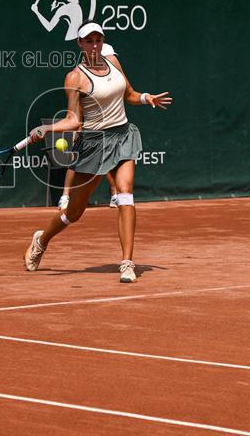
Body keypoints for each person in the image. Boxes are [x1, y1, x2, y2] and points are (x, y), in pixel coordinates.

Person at [25, 21, 171, 282]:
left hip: (123, 134)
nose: (94, 45)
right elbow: (74, 120)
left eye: (98, 40)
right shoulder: (75, 77)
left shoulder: (113, 61)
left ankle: (127, 263)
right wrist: (47, 130)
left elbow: (129, 93)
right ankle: (42, 239)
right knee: (73, 214)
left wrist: (146, 97)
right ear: (79, 44)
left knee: (125, 194)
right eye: (89, 40)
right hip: (94, 144)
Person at [57, 41, 122, 211]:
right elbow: (74, 115)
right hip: (89, 118)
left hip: (106, 122)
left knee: (108, 159)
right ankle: (66, 196)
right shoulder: (79, 77)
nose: (112, 59)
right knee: (77, 157)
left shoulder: (112, 68)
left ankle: (115, 193)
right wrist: (77, 129)